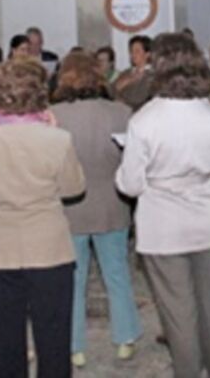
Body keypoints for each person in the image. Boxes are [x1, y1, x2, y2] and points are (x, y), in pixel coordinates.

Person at [115, 33, 210, 378]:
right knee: (207, 303)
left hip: (162, 225)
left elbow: (129, 184)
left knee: (178, 312)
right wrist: (206, 181)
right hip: (204, 221)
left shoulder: (144, 120)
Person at [0, 59, 85, 378]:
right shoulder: (57, 138)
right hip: (49, 250)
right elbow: (73, 187)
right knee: (54, 343)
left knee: (4, 346)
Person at [50, 52, 143, 368]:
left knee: (72, 280)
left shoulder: (54, 115)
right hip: (112, 203)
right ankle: (125, 338)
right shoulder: (121, 112)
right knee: (116, 273)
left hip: (70, 206)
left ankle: (75, 346)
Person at [112, 35, 153, 111]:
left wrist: (121, 98)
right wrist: (127, 81)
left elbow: (138, 98)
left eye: (137, 51)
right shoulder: (126, 72)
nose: (132, 55)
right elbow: (111, 91)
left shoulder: (152, 75)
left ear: (147, 54)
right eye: (131, 51)